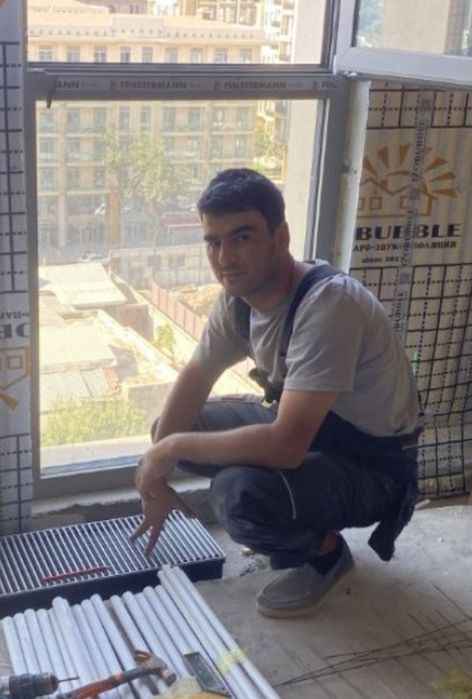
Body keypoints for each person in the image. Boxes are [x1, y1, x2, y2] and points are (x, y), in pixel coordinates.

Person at [131, 168, 421, 619]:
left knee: (238, 494)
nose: (224, 257)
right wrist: (158, 474)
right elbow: (196, 375)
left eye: (242, 237)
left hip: (373, 465)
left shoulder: (329, 305)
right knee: (173, 430)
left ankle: (325, 554)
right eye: (213, 241)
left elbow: (285, 447)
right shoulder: (237, 300)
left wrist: (168, 450)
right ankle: (289, 511)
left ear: (279, 236)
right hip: (312, 430)